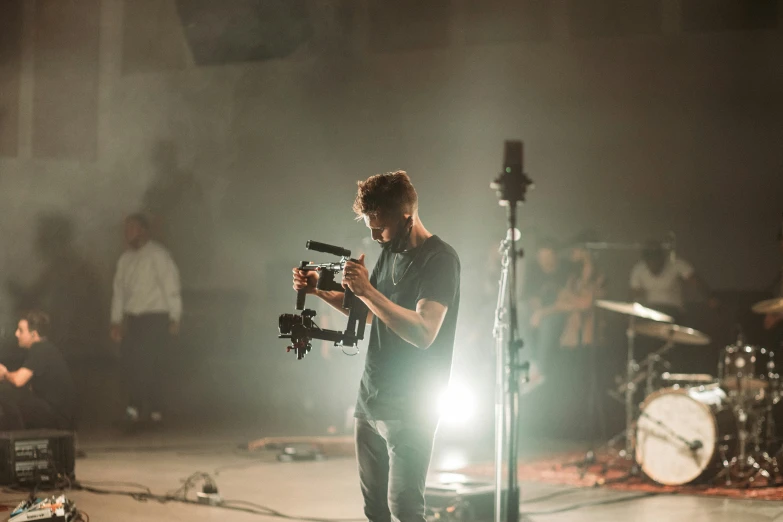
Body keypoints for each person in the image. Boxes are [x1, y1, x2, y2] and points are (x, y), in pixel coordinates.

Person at [293, 171, 460, 522]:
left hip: (412, 407)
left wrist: (367, 290)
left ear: (406, 217)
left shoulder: (440, 260)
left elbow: (424, 331)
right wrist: (319, 290)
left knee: (405, 509)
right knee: (376, 512)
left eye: (379, 227)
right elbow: (368, 314)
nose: (373, 236)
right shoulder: (388, 253)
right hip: (371, 400)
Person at [110, 213, 181, 425]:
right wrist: (116, 321)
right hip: (134, 319)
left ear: (143, 230)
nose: (127, 233)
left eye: (131, 228)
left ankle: (156, 410)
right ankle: (134, 408)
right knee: (131, 364)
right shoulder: (125, 259)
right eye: (126, 229)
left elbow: (171, 286)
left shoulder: (158, 255)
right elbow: (119, 292)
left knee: (151, 364)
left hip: (155, 317)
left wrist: (175, 316)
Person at [0, 310, 75, 430]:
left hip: (57, 417)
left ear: (33, 334)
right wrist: (6, 375)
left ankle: (16, 439)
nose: (16, 334)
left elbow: (19, 380)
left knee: (4, 390)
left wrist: (4, 373)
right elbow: (21, 375)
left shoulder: (40, 349)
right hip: (58, 414)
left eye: (20, 330)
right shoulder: (45, 349)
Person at [629, 242, 716, 321]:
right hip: (651, 312)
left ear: (662, 258)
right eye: (650, 261)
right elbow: (635, 294)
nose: (653, 265)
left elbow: (695, 281)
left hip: (674, 312)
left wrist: (709, 298)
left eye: (656, 260)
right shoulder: (638, 269)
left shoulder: (676, 264)